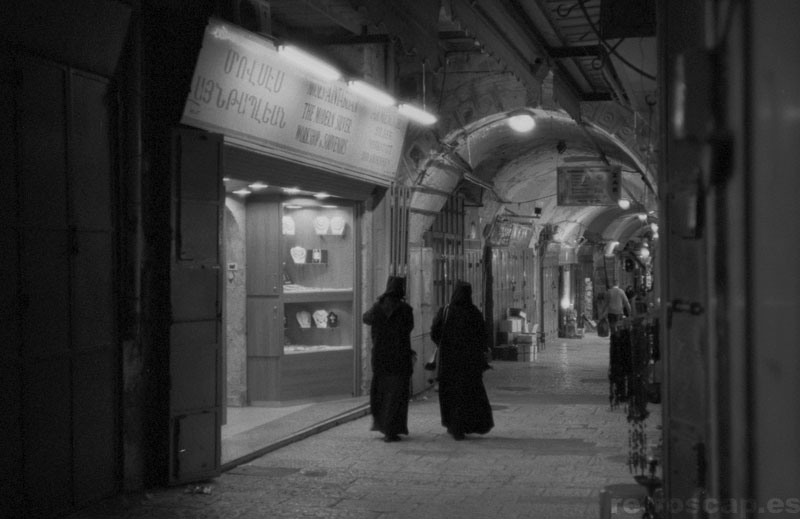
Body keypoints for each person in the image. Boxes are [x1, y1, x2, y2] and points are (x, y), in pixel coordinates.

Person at [430, 281, 494, 440]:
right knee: (467, 394)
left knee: (451, 394)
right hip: (469, 364)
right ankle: (466, 425)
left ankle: (454, 426)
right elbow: (483, 336)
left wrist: (444, 346)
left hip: (449, 363)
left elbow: (435, 332)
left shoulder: (446, 311)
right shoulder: (474, 313)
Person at [362, 276, 416, 442]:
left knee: (382, 393)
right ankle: (393, 429)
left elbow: (365, 318)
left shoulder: (377, 307)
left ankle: (383, 426)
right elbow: (409, 328)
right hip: (400, 358)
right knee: (397, 394)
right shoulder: (406, 309)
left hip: (380, 357)